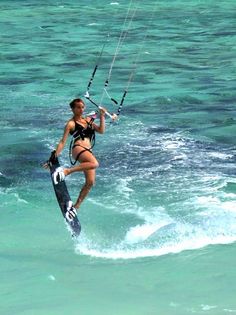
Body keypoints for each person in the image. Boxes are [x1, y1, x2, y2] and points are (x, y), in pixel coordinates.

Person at [46, 98, 107, 219]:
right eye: (78, 107)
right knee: (95, 163)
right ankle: (66, 171)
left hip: (88, 151)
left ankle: (75, 207)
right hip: (78, 148)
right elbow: (63, 142)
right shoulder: (71, 123)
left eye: (82, 107)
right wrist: (53, 158)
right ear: (73, 109)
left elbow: (101, 131)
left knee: (90, 183)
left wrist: (102, 116)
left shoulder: (88, 120)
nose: (81, 109)